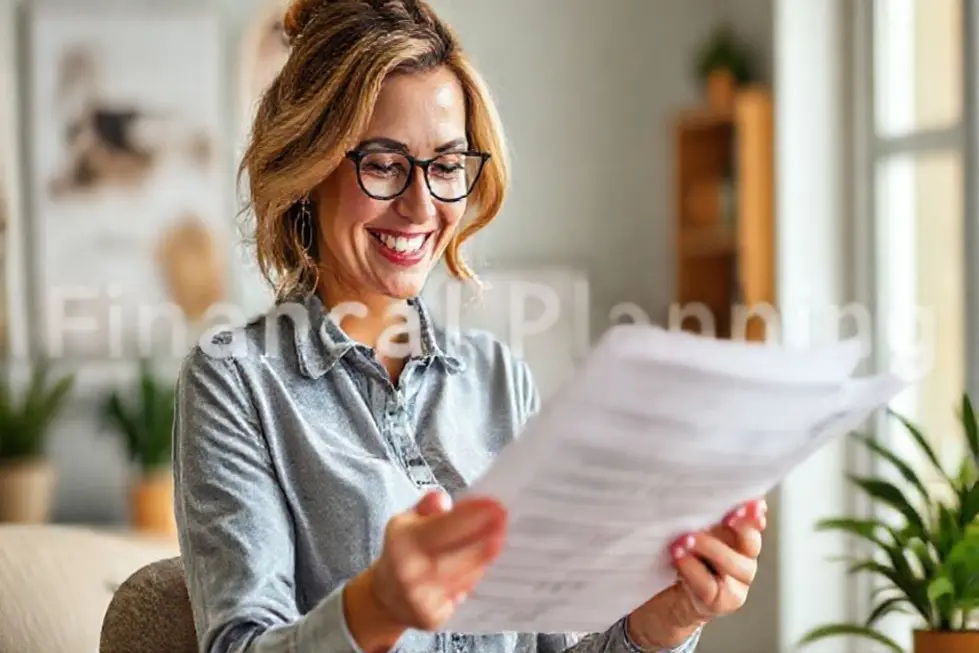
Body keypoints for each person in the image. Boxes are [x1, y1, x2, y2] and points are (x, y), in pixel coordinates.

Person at [172, 1, 768, 652]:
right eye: (382, 162)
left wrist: (665, 620)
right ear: (309, 165)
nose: (421, 204)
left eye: (447, 165)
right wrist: (374, 607)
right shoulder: (236, 381)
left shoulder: (496, 378)